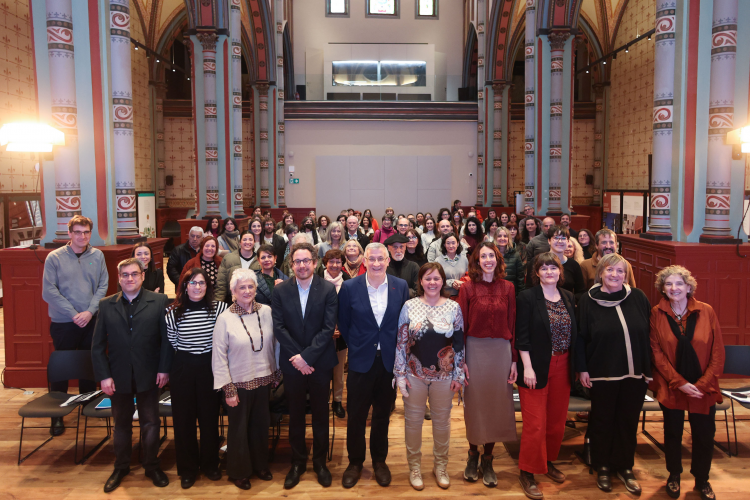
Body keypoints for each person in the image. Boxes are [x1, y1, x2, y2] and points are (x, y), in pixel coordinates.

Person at [91, 258, 172, 493]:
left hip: (149, 374)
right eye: (125, 275)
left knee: (150, 423)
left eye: (134, 274)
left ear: (143, 276)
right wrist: (104, 376)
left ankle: (151, 465)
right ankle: (121, 466)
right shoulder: (106, 305)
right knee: (121, 425)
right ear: (119, 278)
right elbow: (97, 346)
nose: (130, 278)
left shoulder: (158, 301)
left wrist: (164, 368)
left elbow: (166, 341)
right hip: (118, 376)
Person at [576, 253, 652, 495]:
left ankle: (625, 466)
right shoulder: (588, 301)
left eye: (620, 271)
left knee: (628, 421)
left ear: (626, 274)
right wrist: (582, 368)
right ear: (601, 273)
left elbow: (650, 335)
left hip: (634, 373)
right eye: (610, 270)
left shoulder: (638, 297)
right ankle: (603, 466)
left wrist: (648, 369)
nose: (615, 275)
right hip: (602, 372)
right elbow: (580, 338)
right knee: (602, 421)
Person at [337, 242, 410, 488]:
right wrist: (359, 346)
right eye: (372, 259)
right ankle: (355, 462)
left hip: (388, 362)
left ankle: (380, 461)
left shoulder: (400, 286)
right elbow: (344, 324)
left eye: (381, 259)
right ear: (364, 261)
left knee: (382, 415)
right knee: (356, 415)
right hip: (360, 362)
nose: (377, 263)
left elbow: (402, 323)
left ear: (388, 261)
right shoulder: (349, 287)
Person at [649, 266, 724, 500]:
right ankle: (674, 475)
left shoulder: (706, 311)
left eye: (679, 284)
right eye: (669, 284)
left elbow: (717, 352)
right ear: (663, 288)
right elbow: (656, 353)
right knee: (672, 433)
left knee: (704, 435)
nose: (674, 288)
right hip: (672, 386)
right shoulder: (656, 313)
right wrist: (679, 382)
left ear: (689, 287)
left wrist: (702, 384)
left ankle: (702, 480)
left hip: (704, 388)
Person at [272, 242, 339, 489]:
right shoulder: (280, 292)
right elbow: (279, 327)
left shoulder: (328, 289)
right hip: (292, 364)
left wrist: (307, 358)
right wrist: (298, 359)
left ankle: (320, 463)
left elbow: (327, 328)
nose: (302, 265)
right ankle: (298, 462)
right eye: (297, 261)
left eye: (306, 261)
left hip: (319, 363)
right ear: (292, 265)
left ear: (314, 263)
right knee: (296, 415)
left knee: (321, 414)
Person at [395, 263, 465, 490]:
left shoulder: (454, 308)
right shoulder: (409, 306)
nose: (432, 283)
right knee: (413, 424)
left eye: (436, 278)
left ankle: (440, 466)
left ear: (442, 281)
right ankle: (414, 467)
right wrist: (401, 374)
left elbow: (459, 343)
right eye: (428, 279)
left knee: (442, 424)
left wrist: (459, 374)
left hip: (444, 378)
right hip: (414, 375)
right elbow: (401, 342)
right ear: (421, 282)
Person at [515, 253, 578, 499]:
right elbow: (522, 336)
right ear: (537, 273)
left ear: (560, 272)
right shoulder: (528, 297)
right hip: (536, 366)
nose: (549, 271)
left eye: (553, 267)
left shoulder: (569, 297)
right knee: (535, 423)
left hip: (563, 364)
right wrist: (527, 367)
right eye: (544, 268)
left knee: (555, 422)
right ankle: (527, 471)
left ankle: (548, 461)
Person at [212, 269, 279, 490]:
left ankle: (260, 465)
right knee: (239, 430)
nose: (247, 291)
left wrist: (276, 371)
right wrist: (227, 389)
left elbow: (275, 344)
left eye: (251, 286)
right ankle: (239, 472)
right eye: (242, 287)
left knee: (260, 426)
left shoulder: (267, 311)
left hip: (263, 380)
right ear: (233, 292)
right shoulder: (225, 318)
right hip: (237, 384)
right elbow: (219, 355)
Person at [458, 241, 518, 488]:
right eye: (483, 256)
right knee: (475, 404)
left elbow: (512, 324)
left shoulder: (509, 288)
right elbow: (459, 327)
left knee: (497, 404)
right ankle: (473, 454)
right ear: (476, 261)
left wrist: (514, 359)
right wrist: (461, 359)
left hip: (501, 352)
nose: (487, 260)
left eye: (491, 255)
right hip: (474, 349)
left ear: (497, 259)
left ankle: (489, 458)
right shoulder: (467, 289)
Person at [42, 215, 108, 435]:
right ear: (69, 233)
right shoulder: (54, 258)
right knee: (62, 368)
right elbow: (49, 291)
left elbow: (103, 286)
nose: (83, 236)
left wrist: (89, 312)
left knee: (88, 364)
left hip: (91, 320)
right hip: (64, 322)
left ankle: (87, 406)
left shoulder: (97, 255)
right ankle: (57, 415)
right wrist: (74, 315)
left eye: (86, 232)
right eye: (78, 232)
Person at [166, 267, 227, 489]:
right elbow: (173, 340)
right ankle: (188, 469)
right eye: (193, 283)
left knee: (209, 419)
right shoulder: (173, 312)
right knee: (184, 421)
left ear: (208, 286)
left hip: (209, 367)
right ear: (184, 286)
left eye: (201, 283)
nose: (197, 287)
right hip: (183, 368)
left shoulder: (220, 308)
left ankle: (210, 464)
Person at [321, 249, 349, 419]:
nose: (335, 265)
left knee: (338, 372)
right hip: (321, 335)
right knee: (323, 371)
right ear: (325, 263)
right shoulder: (316, 280)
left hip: (341, 335)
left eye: (338, 261)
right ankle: (323, 401)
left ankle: (337, 401)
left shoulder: (348, 282)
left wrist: (341, 328)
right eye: (331, 261)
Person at [530, 226, 585, 298]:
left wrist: (568, 302)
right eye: (556, 238)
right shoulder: (536, 261)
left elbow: (580, 292)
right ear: (549, 241)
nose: (560, 241)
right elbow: (529, 288)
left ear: (568, 241)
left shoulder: (574, 265)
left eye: (563, 238)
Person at [215, 231, 257, 303]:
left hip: (255, 301)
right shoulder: (228, 258)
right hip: (232, 301)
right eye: (244, 239)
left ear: (254, 242)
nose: (247, 242)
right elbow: (221, 284)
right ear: (240, 242)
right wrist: (218, 303)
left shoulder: (260, 259)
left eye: (250, 239)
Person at [434, 233, 469, 299]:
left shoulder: (464, 259)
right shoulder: (438, 261)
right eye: (448, 243)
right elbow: (436, 280)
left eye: (453, 243)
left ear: (458, 244)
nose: (451, 246)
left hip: (462, 296)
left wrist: (463, 283)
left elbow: (468, 276)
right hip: (445, 296)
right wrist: (452, 283)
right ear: (444, 244)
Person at [385, 234, 420, 298]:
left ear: (405, 248)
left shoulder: (413, 267)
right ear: (389, 248)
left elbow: (418, 292)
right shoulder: (384, 267)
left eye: (401, 247)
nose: (398, 251)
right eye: (395, 247)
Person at [495, 227, 524, 294]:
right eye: (499, 236)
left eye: (505, 236)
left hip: (511, 292)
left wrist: (520, 296)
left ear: (509, 238)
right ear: (495, 238)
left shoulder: (516, 255)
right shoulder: (491, 254)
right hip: (494, 291)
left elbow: (520, 278)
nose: (502, 238)